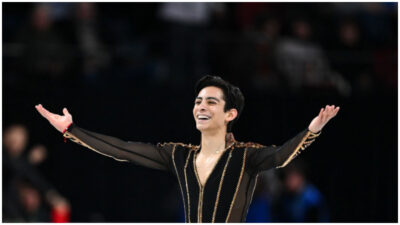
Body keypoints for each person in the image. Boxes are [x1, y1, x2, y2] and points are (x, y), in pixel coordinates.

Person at [35, 75, 339, 222]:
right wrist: (71, 130)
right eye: (197, 101)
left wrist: (313, 129)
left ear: (230, 114)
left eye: (211, 101)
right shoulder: (179, 155)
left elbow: (282, 155)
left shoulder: (246, 156)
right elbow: (123, 150)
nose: (201, 106)